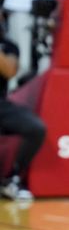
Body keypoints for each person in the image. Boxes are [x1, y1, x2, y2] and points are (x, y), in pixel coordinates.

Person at [0, 31, 44, 201]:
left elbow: (9, 70)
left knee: (36, 128)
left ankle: (13, 179)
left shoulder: (9, 45)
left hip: (2, 105)